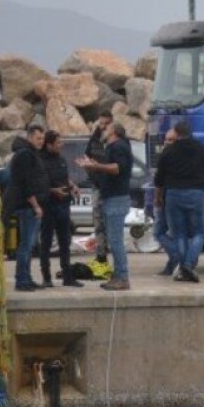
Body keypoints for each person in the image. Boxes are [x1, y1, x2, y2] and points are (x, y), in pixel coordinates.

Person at [153, 121, 204, 283]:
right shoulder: (201, 149)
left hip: (174, 195)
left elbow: (159, 180)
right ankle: (188, 266)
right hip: (196, 194)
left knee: (179, 234)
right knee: (199, 233)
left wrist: (158, 197)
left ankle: (184, 268)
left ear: (176, 133)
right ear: (190, 133)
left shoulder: (168, 151)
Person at [77, 122, 133, 291]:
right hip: (112, 197)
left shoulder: (118, 146)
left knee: (115, 241)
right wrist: (94, 166)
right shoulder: (114, 147)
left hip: (116, 199)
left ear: (114, 132)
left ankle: (122, 277)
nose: (104, 130)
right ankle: (118, 276)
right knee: (113, 239)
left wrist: (96, 166)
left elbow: (117, 168)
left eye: (107, 129)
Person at [3, 125, 48, 291]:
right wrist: (36, 205)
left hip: (29, 205)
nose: (41, 142)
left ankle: (26, 277)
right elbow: (26, 183)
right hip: (27, 206)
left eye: (42, 139)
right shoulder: (25, 154)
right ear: (29, 137)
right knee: (26, 245)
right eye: (38, 138)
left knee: (29, 245)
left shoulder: (29, 153)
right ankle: (22, 280)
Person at [39, 130, 83, 288]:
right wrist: (53, 190)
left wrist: (73, 186)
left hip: (63, 205)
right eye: (58, 143)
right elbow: (39, 184)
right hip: (48, 206)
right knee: (46, 242)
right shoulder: (40, 160)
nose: (61, 145)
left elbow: (65, 178)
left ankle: (67, 276)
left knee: (65, 241)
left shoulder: (61, 159)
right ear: (49, 144)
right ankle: (46, 277)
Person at [85, 110, 113, 264]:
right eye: (101, 123)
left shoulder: (116, 140)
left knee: (110, 222)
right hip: (96, 185)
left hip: (111, 187)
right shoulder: (94, 139)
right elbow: (87, 156)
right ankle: (101, 254)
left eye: (106, 124)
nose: (103, 127)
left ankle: (112, 253)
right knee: (97, 221)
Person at [152, 127, 180, 277]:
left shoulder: (170, 156)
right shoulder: (168, 155)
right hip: (166, 198)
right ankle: (173, 262)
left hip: (168, 199)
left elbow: (159, 181)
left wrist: (157, 198)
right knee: (162, 232)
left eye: (170, 140)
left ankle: (176, 256)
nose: (166, 142)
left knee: (160, 231)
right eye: (166, 139)